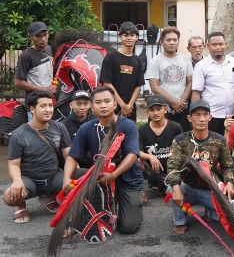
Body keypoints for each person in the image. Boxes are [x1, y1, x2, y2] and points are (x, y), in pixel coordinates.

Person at [63, 86, 144, 234]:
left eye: (107, 101)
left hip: (127, 179)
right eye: (98, 102)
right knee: (75, 173)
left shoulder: (128, 125)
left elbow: (132, 155)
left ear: (115, 104)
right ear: (92, 107)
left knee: (128, 227)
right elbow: (73, 156)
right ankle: (78, 219)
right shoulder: (86, 128)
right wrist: (66, 178)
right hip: (101, 179)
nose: (103, 105)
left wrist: (113, 175)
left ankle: (132, 204)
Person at [166, 99, 234, 235]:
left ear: (210, 117)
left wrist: (229, 183)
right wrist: (176, 187)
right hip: (188, 187)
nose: (201, 119)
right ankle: (180, 221)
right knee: (171, 189)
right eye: (197, 115)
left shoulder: (220, 140)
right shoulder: (180, 140)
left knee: (223, 218)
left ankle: (210, 210)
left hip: (211, 189)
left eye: (205, 115)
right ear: (189, 118)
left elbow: (228, 166)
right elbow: (172, 166)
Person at [4, 91, 71, 223]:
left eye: (50, 106)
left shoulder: (60, 127)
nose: (48, 110)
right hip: (29, 179)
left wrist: (70, 177)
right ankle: (21, 204)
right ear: (32, 109)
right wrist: (17, 181)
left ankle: (49, 195)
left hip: (53, 177)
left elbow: (69, 156)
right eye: (43, 106)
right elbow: (13, 164)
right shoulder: (19, 134)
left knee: (81, 187)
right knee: (10, 197)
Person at [191, 32, 234, 136]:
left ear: (225, 44)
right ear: (208, 47)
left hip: (232, 115)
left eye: (221, 44)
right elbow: (196, 92)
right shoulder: (201, 66)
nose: (218, 47)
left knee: (230, 147)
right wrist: (196, 115)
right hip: (211, 116)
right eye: (214, 45)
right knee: (211, 148)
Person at [147, 26, 193, 129]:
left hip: (182, 109)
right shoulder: (155, 61)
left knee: (182, 139)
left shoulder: (186, 60)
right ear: (162, 42)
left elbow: (190, 83)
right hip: (162, 108)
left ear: (178, 41)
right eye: (168, 40)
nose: (172, 43)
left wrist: (181, 103)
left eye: (175, 40)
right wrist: (173, 102)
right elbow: (154, 87)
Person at [99, 21, 145, 122]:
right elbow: (107, 83)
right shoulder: (111, 57)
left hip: (130, 110)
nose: (129, 38)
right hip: (112, 107)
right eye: (126, 35)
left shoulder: (137, 60)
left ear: (137, 37)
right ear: (120, 37)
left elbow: (138, 85)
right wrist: (122, 105)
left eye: (132, 35)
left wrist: (129, 105)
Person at [139, 94, 183, 199]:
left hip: (172, 169)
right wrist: (151, 157)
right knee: (135, 160)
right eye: (152, 110)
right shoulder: (142, 130)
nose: (155, 113)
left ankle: (162, 185)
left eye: (159, 109)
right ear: (147, 112)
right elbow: (136, 151)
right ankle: (139, 190)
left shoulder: (176, 127)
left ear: (165, 109)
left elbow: (183, 151)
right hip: (152, 170)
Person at [14, 22, 55, 120]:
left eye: (45, 35)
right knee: (35, 134)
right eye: (38, 36)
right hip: (35, 105)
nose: (43, 39)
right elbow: (18, 83)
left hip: (49, 103)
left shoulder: (49, 49)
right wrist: (45, 89)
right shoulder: (26, 56)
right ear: (30, 37)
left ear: (48, 34)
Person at [60, 90, 94, 169]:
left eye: (85, 104)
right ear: (71, 105)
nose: (82, 107)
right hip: (72, 166)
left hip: (93, 165)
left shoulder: (97, 121)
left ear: (90, 105)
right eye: (78, 104)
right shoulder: (63, 125)